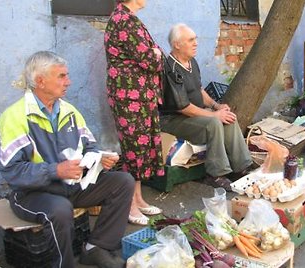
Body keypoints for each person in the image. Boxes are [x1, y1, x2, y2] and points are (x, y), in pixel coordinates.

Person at [0, 51, 134, 268]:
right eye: (61, 76)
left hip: (71, 186)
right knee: (60, 209)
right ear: (40, 81)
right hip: (31, 194)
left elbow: (89, 145)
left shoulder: (68, 111)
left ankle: (96, 248)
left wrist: (100, 158)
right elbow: (13, 172)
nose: (68, 81)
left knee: (123, 182)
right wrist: (55, 171)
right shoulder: (15, 117)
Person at [160, 23, 253, 192]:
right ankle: (215, 175)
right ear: (177, 44)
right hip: (173, 119)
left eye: (195, 39)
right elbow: (183, 107)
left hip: (193, 115)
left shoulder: (191, 62)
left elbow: (199, 89)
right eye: (190, 40)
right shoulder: (170, 69)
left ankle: (241, 167)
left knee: (228, 118)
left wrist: (216, 106)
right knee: (214, 123)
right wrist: (214, 116)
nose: (196, 43)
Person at [105, 0, 164, 226]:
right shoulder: (124, 20)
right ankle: (129, 204)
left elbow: (149, 55)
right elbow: (150, 59)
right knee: (133, 149)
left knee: (140, 149)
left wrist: (154, 52)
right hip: (129, 95)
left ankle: (138, 198)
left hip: (139, 94)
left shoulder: (129, 18)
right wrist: (156, 52)